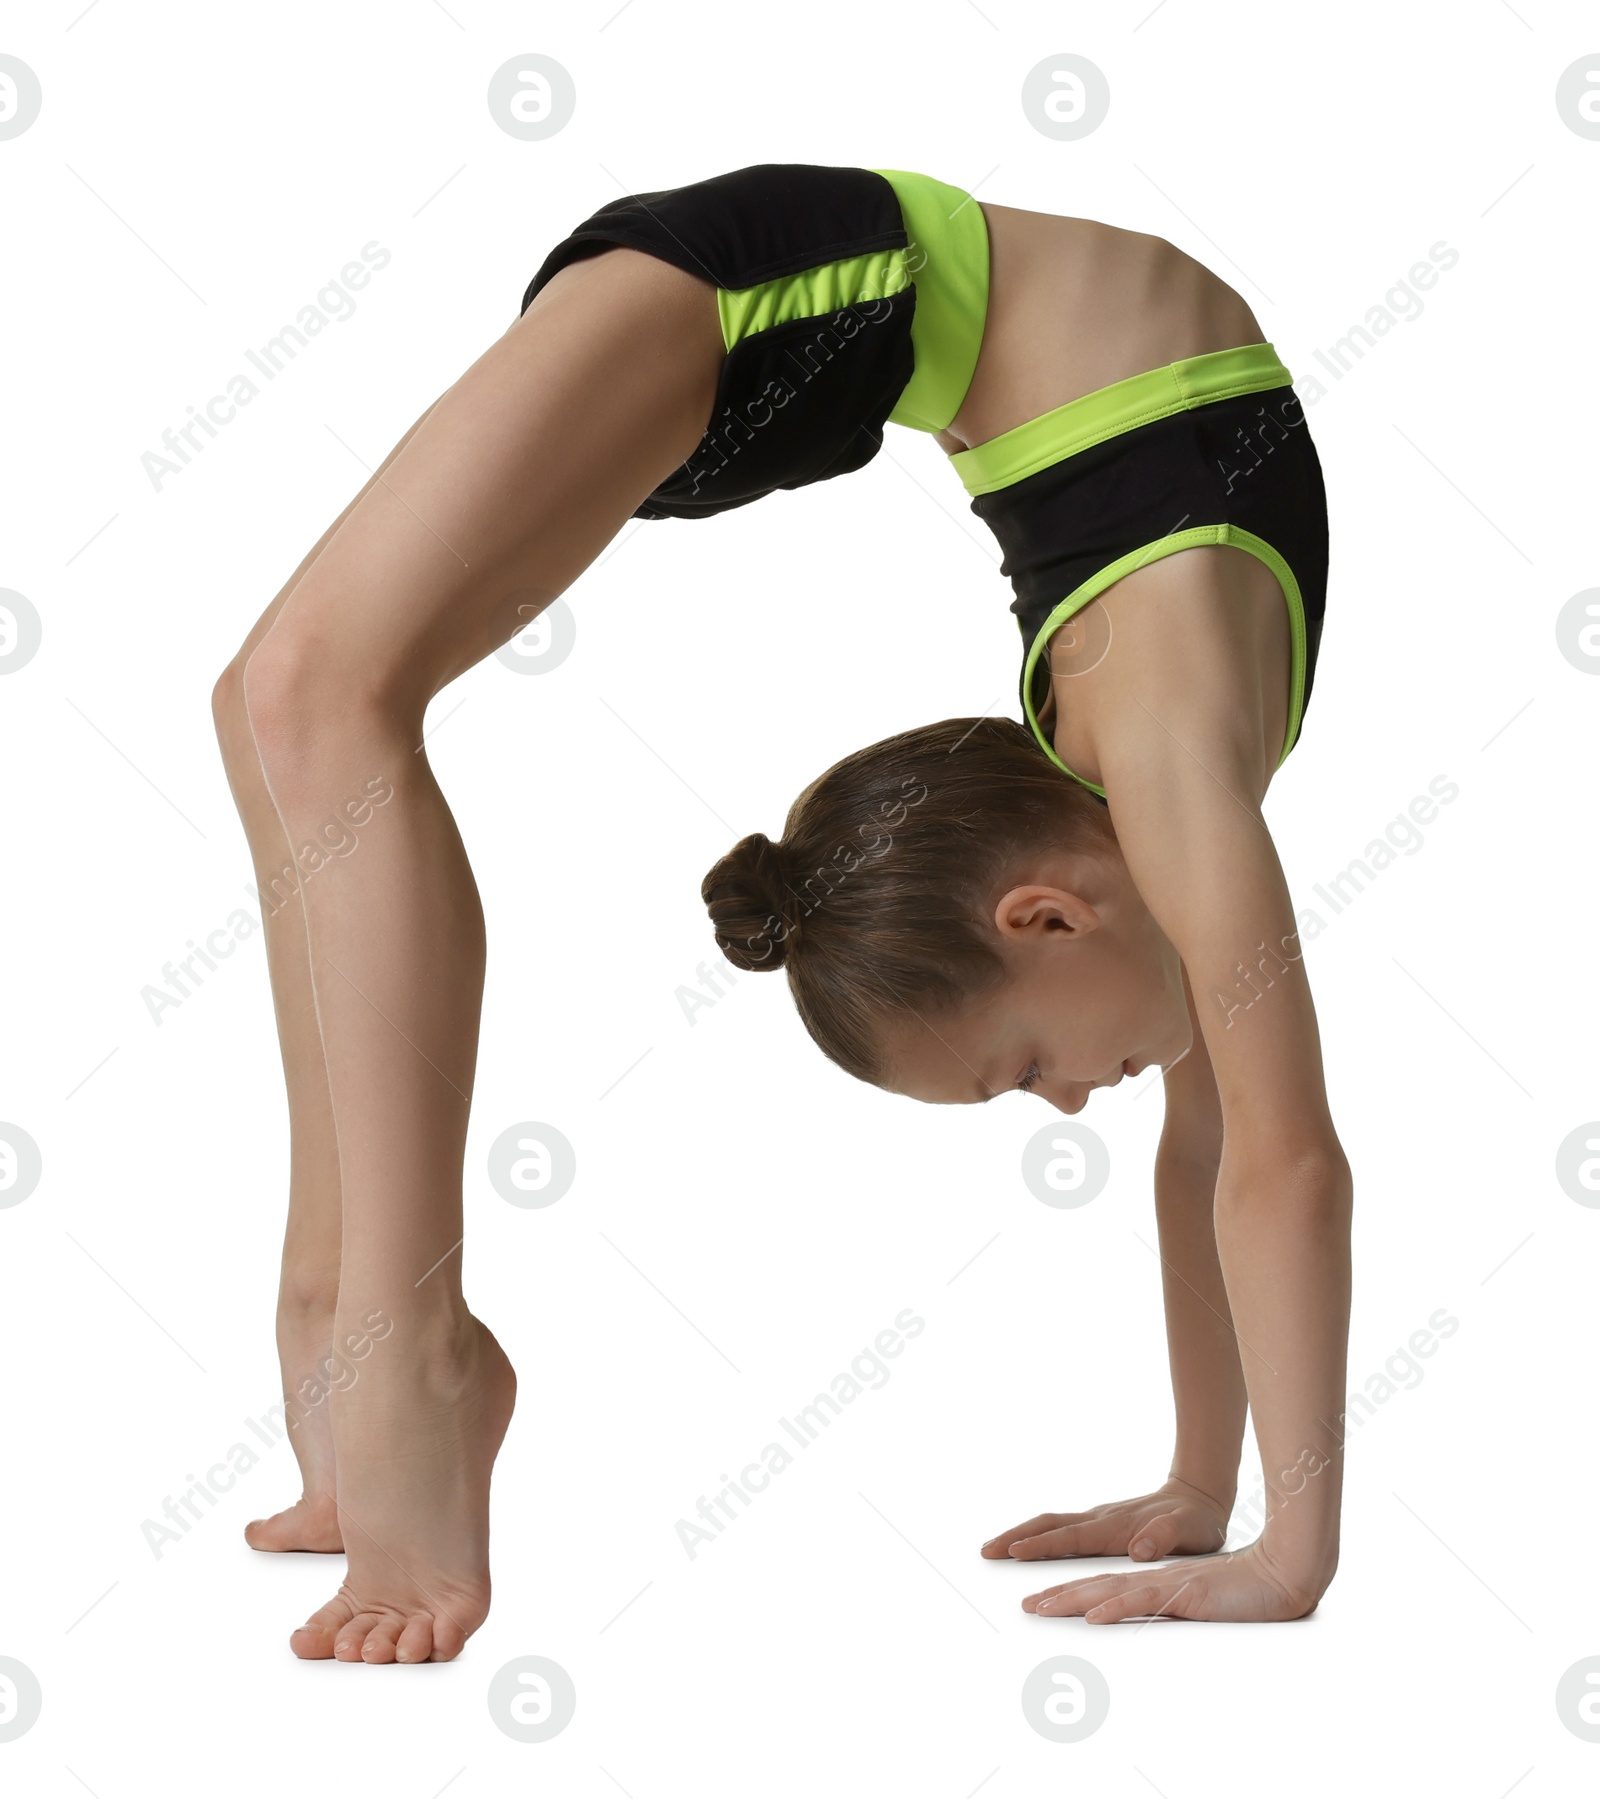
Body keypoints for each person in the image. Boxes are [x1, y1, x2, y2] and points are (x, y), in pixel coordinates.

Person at [211, 164, 1350, 1660]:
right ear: (1046, 919)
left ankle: (332, 1311)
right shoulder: (1176, 785)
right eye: (1029, 1071)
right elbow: (1286, 1168)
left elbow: (1209, 1154)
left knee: (276, 707)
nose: (1076, 1102)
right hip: (802, 281)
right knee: (305, 701)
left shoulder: (1139, 816)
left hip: (819, 327)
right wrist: (1296, 1558)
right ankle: (405, 1348)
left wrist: (1204, 1493)